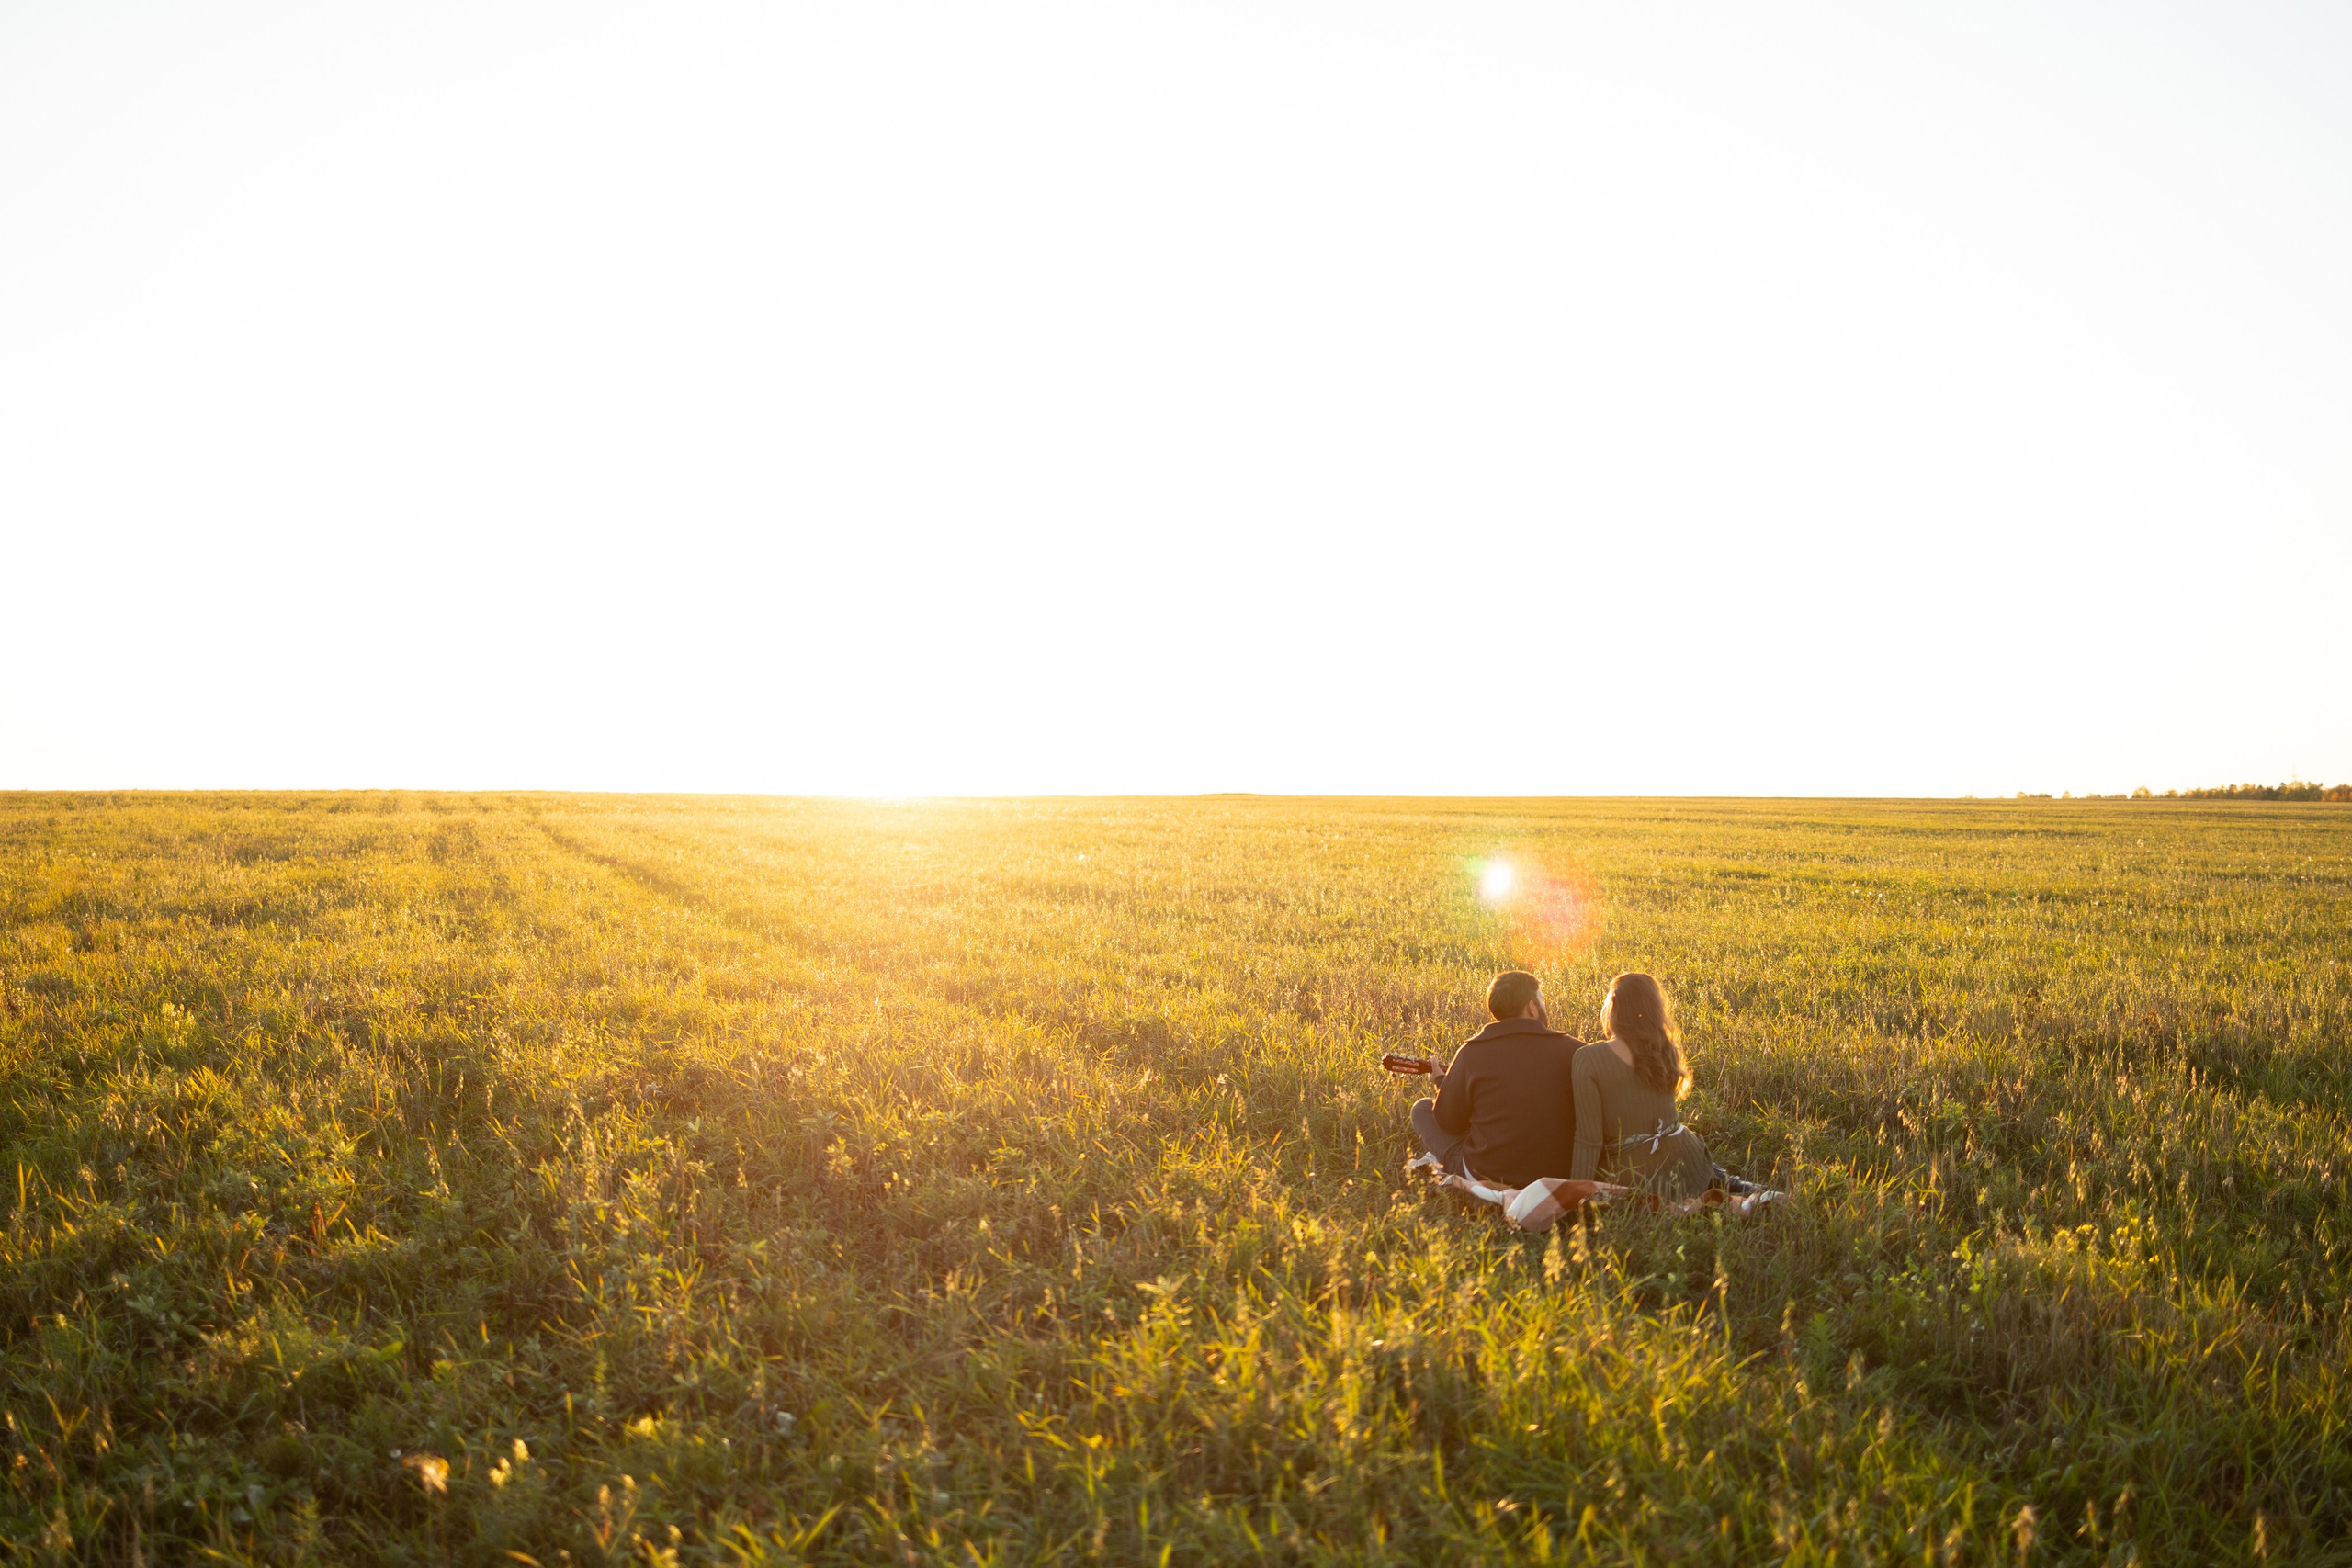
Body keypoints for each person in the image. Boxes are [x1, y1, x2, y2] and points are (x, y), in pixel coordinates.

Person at [1409, 970, 1583, 1189]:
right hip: (1559, 1173)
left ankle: (1451, 1170)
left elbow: (1450, 1123)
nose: (1544, 1007)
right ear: (1531, 1007)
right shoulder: (1577, 1051)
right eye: (1542, 1000)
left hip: (1486, 1174)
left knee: (1422, 1109)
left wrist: (1440, 1084)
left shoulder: (1471, 1053)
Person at [1567, 971, 1724, 1199]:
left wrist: (1572, 1195)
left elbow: (1589, 1139)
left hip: (1630, 1177)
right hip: (1684, 1161)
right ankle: (1734, 1184)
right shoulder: (1663, 1047)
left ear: (1613, 1007)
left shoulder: (1588, 1058)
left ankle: (1730, 1184)